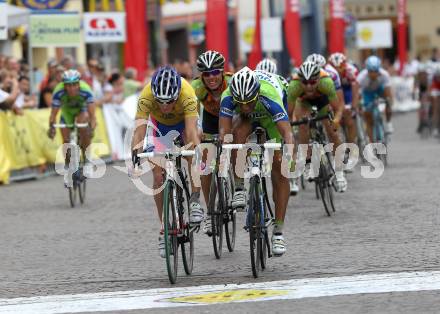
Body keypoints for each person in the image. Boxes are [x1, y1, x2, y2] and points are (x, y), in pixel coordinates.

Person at [219, 67, 294, 256]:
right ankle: (238, 187)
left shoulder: (268, 95)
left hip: (270, 118)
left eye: (248, 102)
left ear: (256, 93)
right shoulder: (228, 96)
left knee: (279, 169)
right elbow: (224, 134)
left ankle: (278, 231)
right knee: (236, 137)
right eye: (240, 102)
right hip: (246, 121)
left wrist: (289, 152)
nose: (244, 106)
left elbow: (287, 132)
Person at [130, 66, 202, 258]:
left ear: (177, 95)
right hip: (159, 127)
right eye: (160, 102)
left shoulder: (187, 93)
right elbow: (139, 130)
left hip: (184, 124)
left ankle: (195, 201)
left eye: (169, 101)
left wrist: (197, 153)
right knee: (158, 176)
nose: (164, 106)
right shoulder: (146, 95)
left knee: (191, 154)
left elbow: (192, 132)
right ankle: (164, 229)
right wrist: (135, 155)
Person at [287, 61, 347, 192]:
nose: (309, 86)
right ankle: (308, 162)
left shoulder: (327, 82)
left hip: (322, 101)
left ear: (318, 79)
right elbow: (288, 115)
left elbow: (338, 108)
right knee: (303, 125)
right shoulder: (294, 86)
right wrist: (290, 129)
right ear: (300, 81)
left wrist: (336, 120)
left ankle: (339, 173)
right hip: (303, 103)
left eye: (313, 82)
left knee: (332, 131)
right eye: (305, 82)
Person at [191, 50, 233, 235]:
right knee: (206, 164)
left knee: (233, 147)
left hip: (231, 116)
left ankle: (235, 183)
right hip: (209, 118)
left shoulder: (231, 83)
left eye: (215, 72)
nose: (211, 77)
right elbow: (192, 114)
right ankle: (210, 213)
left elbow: (242, 110)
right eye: (206, 74)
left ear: (222, 72)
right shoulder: (196, 87)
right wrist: (197, 131)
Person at [256, 58, 299, 195]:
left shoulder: (282, 82)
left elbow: (289, 111)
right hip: (259, 106)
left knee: (286, 134)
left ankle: (292, 175)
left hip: (278, 105)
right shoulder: (253, 82)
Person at [47, 70, 96, 186]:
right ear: (64, 85)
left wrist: (91, 128)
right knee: (65, 141)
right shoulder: (58, 92)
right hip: (67, 113)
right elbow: (53, 115)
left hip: (82, 111)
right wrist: (51, 128)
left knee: (83, 126)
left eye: (74, 84)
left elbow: (93, 116)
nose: (71, 88)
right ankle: (68, 168)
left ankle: (88, 162)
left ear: (79, 84)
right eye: (68, 85)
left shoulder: (86, 91)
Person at [328, 52, 360, 169]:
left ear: (345, 65)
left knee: (349, 119)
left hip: (348, 92)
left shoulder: (351, 70)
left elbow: (355, 89)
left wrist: (353, 105)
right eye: (334, 67)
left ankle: (352, 150)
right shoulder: (328, 74)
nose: (337, 69)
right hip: (335, 92)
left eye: (340, 67)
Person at [357, 56, 394, 141]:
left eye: (375, 71)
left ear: (379, 70)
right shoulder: (361, 77)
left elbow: (388, 91)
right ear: (367, 70)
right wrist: (359, 104)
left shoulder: (384, 75)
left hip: (379, 89)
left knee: (388, 101)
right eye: (371, 71)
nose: (373, 74)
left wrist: (389, 102)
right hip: (367, 93)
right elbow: (358, 94)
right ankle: (372, 142)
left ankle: (388, 123)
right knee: (368, 117)